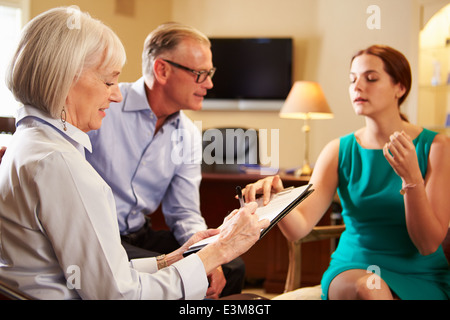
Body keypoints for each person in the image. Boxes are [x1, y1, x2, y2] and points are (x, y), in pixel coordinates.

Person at [0, 7, 269, 300]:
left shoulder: (31, 142)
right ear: (66, 78)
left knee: (232, 270)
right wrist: (219, 250)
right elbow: (119, 294)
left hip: (114, 252)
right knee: (253, 302)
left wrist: (176, 258)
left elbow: (108, 275)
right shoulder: (60, 162)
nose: (115, 95)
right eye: (107, 81)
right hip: (110, 255)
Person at [242, 45, 450, 300]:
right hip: (354, 268)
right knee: (370, 286)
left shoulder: (436, 147)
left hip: (422, 274)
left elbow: (428, 244)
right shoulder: (339, 151)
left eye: (371, 78)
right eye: (352, 80)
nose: (357, 87)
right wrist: (277, 199)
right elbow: (300, 228)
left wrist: (411, 179)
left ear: (400, 88)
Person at [85, 22, 243, 299]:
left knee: (231, 266)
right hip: (95, 238)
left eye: (210, 73)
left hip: (137, 233)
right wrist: (199, 263)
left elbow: (184, 213)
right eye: (200, 74)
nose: (209, 83)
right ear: (162, 70)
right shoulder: (104, 105)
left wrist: (208, 255)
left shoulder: (189, 135)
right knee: (180, 272)